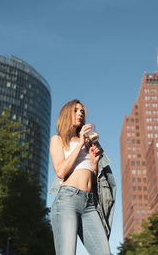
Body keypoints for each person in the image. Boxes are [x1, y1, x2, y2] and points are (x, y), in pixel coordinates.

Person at [49, 99, 113, 255]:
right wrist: (79, 145)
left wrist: (94, 162)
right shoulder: (57, 140)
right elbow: (61, 172)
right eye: (76, 110)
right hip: (67, 200)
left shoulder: (88, 143)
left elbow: (92, 176)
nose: (80, 113)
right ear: (67, 114)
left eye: (82, 111)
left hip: (90, 205)